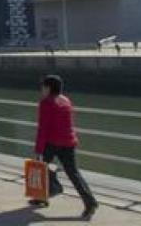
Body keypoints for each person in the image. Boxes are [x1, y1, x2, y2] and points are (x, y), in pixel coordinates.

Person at [33, 74, 98, 219]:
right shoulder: (66, 100)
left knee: (43, 167)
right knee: (73, 173)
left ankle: (51, 191)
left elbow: (43, 128)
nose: (41, 89)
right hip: (68, 142)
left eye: (43, 86)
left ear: (49, 88)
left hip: (52, 142)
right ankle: (90, 202)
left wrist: (38, 149)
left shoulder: (46, 103)